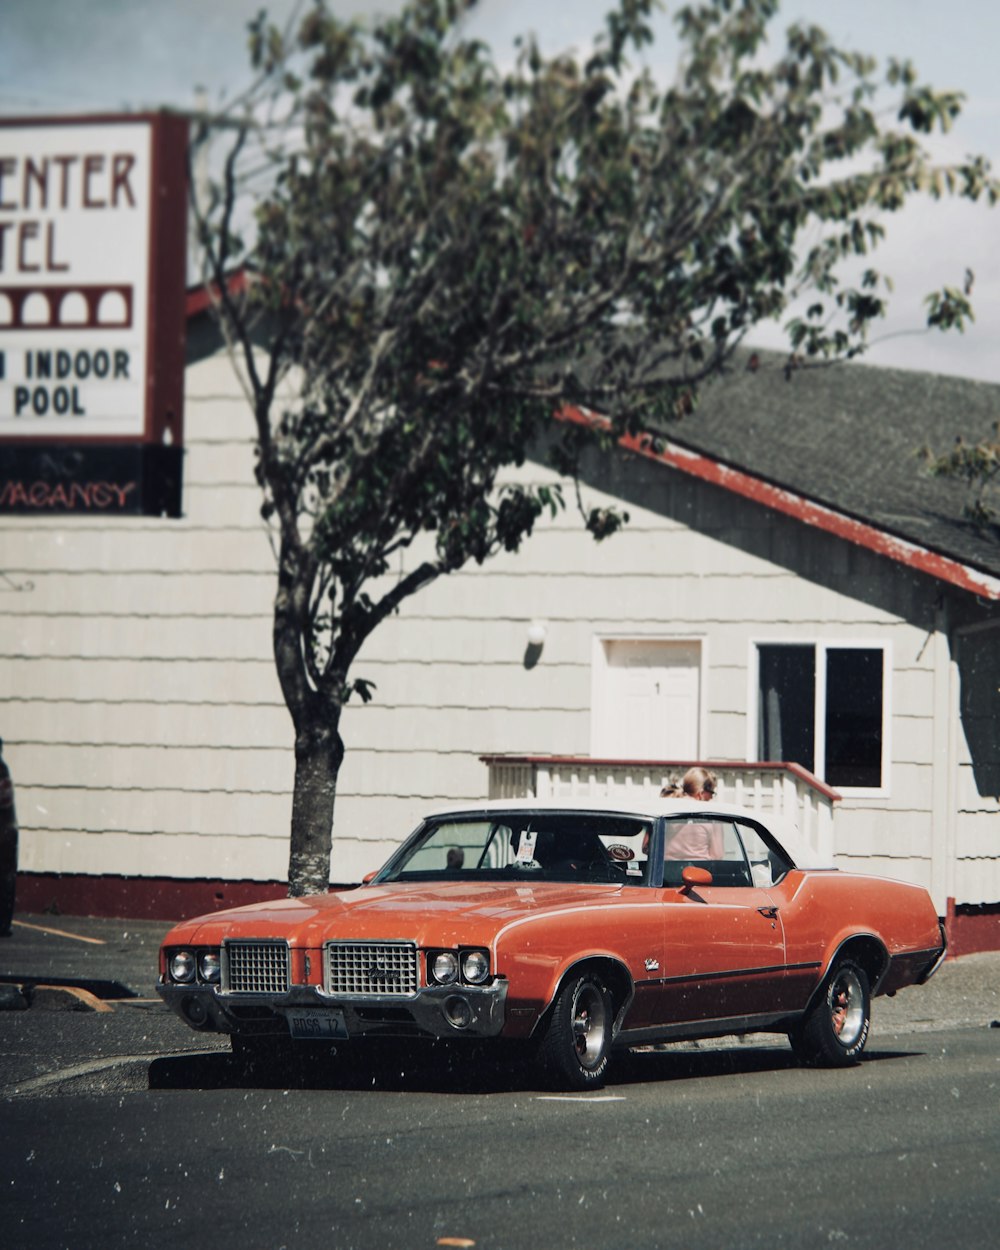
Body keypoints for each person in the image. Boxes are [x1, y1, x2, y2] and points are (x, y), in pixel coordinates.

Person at [664, 766, 722, 861]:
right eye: (711, 792)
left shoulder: (667, 810)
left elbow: (648, 847)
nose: (712, 797)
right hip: (700, 872)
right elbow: (717, 856)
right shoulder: (712, 818)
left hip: (665, 871)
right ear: (701, 793)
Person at [0, 738, 18, 937]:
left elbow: (4, 800)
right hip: (6, 828)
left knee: (5, 878)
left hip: (3, 829)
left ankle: (3, 923)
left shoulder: (1, 770)